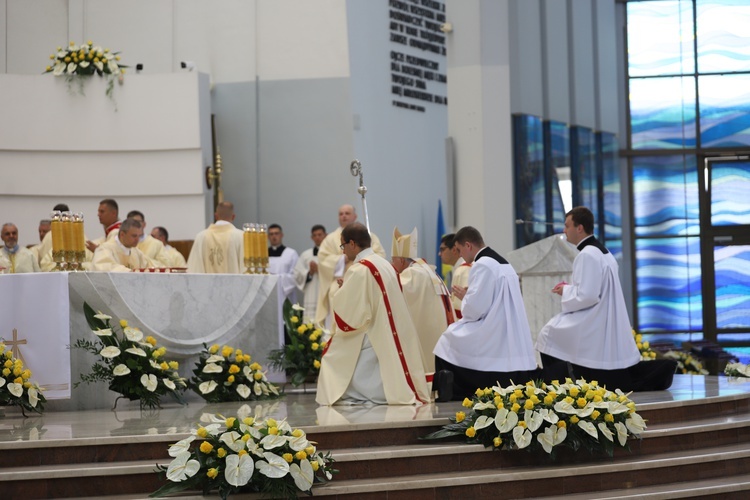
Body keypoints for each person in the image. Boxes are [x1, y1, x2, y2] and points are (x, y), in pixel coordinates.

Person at [536, 207, 677, 391]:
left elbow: (587, 296)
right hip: (607, 315)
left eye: (567, 225)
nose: (564, 230)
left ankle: (560, 384)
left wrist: (565, 291)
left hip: (595, 316)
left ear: (580, 228)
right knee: (552, 333)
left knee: (548, 334)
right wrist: (570, 289)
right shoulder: (602, 252)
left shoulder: (586, 254)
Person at [316, 223, 430, 406]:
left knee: (332, 354)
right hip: (392, 329)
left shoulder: (360, 269)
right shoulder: (383, 263)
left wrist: (341, 292)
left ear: (352, 244)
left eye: (343, 246)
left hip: (376, 331)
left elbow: (352, 317)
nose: (343, 251)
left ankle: (351, 393)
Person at [433, 226, 538, 401]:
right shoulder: (502, 263)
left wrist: (466, 299)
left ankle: (457, 391)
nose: (460, 255)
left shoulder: (482, 265)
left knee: (447, 339)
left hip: (494, 329)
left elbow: (474, 310)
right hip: (508, 330)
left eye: (459, 250)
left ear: (468, 245)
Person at [391, 227, 454, 374]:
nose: (391, 264)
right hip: (436, 329)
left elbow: (391, 290)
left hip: (426, 331)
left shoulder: (412, 274)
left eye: (392, 260)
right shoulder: (427, 270)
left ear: (401, 260)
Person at [315, 204, 386, 327]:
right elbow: (323, 260)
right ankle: (338, 331)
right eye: (341, 214)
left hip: (363, 280)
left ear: (355, 216)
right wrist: (342, 259)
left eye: (347, 213)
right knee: (335, 292)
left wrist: (360, 257)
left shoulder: (368, 236)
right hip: (339, 280)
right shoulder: (330, 239)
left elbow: (379, 255)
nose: (344, 216)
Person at [187, 201, 244, 273]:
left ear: (216, 216)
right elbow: (246, 270)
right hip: (234, 284)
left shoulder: (201, 237)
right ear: (233, 217)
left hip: (205, 284)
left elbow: (193, 269)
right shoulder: (241, 236)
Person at [293, 224, 327, 322]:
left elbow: (337, 271)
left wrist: (320, 270)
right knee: (310, 323)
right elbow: (297, 274)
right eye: (315, 235)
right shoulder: (305, 255)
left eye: (320, 234)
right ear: (311, 237)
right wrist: (309, 273)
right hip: (311, 293)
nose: (317, 237)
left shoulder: (331, 254)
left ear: (325, 235)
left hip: (326, 292)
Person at [439, 233, 471, 319]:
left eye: (442, 250)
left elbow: (461, 309)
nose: (439, 254)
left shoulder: (463, 270)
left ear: (453, 250)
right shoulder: (462, 268)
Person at [267, 223, 299, 301]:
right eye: (271, 234)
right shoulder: (263, 255)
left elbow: (296, 276)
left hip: (285, 295)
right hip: (267, 294)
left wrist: (276, 278)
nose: (274, 236)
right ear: (268, 237)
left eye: (276, 233)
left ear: (281, 235)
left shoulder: (291, 253)